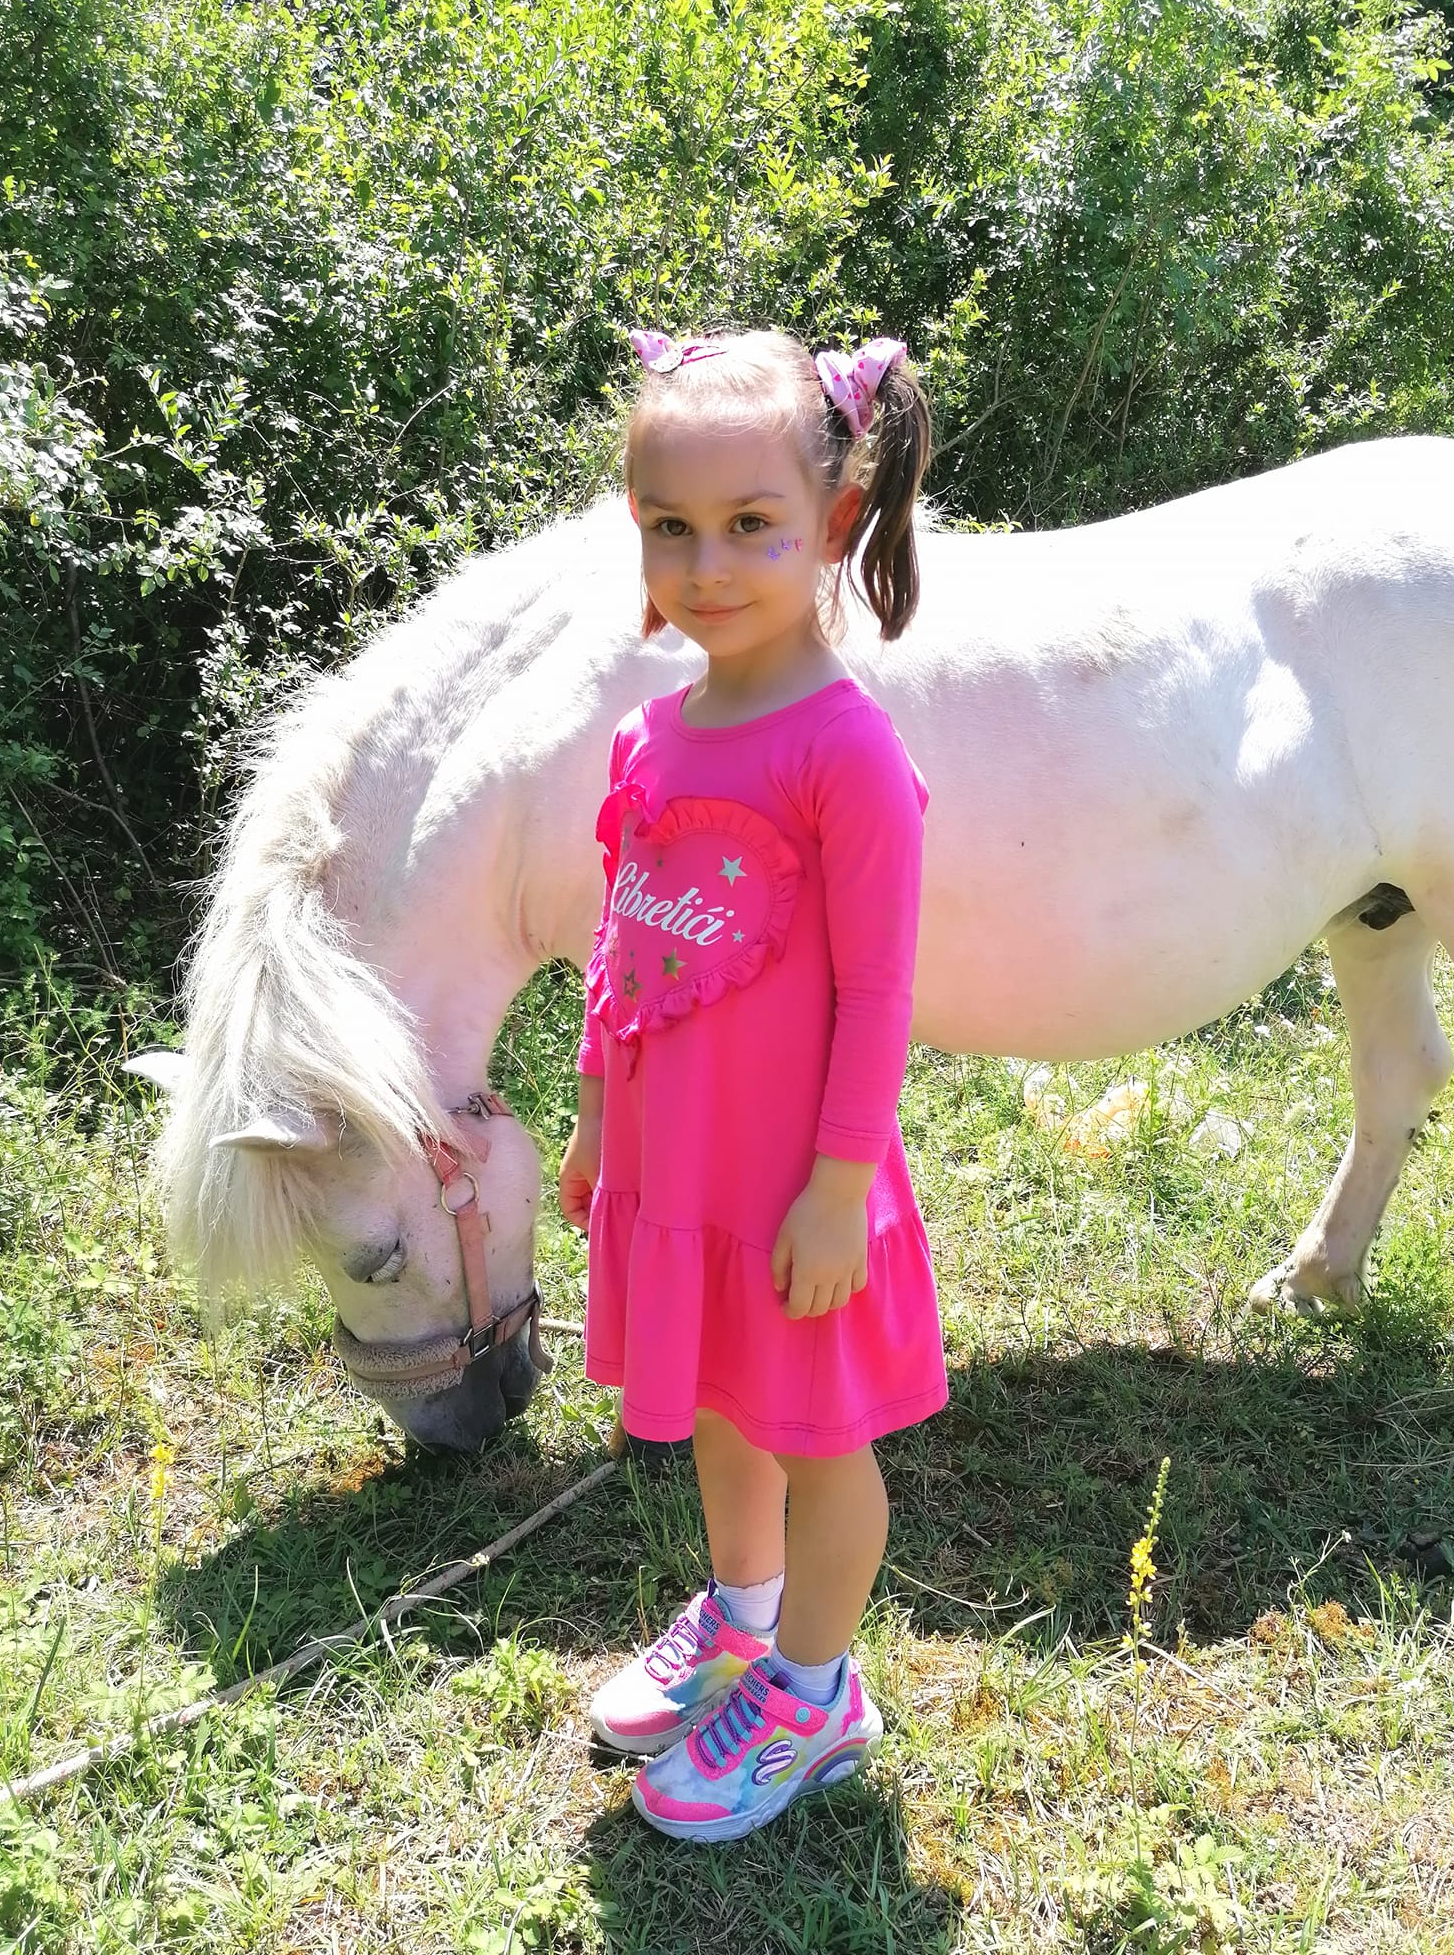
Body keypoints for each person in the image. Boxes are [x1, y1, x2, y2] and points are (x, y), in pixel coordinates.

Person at [556, 325, 948, 1842]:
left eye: (749, 528)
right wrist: (597, 1115)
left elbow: (877, 990)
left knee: (812, 1431)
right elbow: (619, 946)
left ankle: (814, 1687)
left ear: (832, 521)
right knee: (723, 1404)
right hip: (680, 1170)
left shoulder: (843, 755)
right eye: (670, 528)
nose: (706, 565)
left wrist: (841, 1183)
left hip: (792, 1182)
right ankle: (740, 1611)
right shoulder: (655, 732)